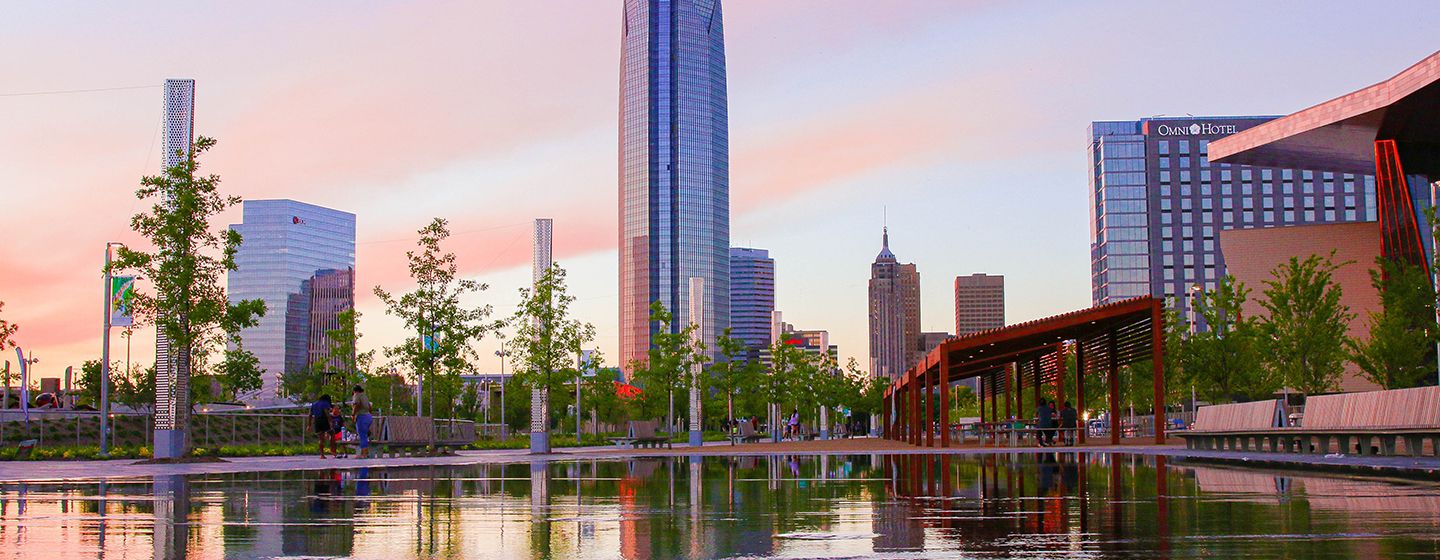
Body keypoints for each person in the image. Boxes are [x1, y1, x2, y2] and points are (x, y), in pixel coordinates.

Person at [351, 385, 373, 459]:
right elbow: (370, 407)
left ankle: (364, 454)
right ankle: (366, 452)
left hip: (361, 416)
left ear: (355, 391)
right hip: (368, 416)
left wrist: (353, 415)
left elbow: (356, 405)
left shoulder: (356, 395)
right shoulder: (364, 396)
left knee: (362, 436)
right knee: (364, 435)